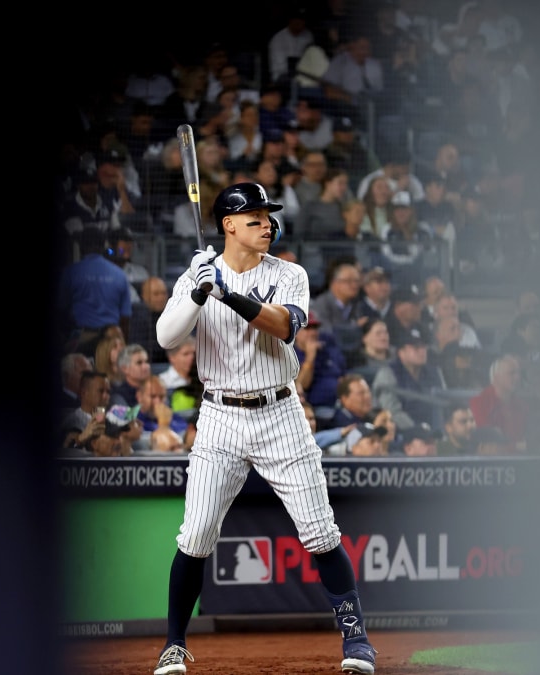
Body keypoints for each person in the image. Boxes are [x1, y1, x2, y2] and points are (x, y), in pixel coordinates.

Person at [151, 182, 376, 675]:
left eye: (268, 217)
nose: (267, 225)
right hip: (219, 417)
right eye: (254, 218)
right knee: (196, 535)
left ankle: (356, 641)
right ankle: (173, 644)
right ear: (228, 225)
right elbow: (166, 335)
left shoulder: (289, 273)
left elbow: (286, 327)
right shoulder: (198, 271)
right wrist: (196, 289)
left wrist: (228, 293)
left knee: (320, 531)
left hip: (280, 413)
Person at [57, 227, 132, 357]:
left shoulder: (71, 272)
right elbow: (125, 317)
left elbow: (61, 309)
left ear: (80, 246)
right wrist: (122, 345)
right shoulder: (119, 274)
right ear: (104, 245)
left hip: (81, 338)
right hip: (111, 339)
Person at [371, 331, 446, 431]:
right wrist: (417, 430)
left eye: (424, 347)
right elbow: (392, 411)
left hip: (435, 430)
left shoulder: (434, 372)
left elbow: (443, 404)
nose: (422, 351)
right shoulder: (388, 374)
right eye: (416, 348)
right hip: (403, 432)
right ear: (401, 352)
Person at [294, 312, 348, 420]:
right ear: (295, 333)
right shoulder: (293, 355)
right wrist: (310, 358)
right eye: (307, 328)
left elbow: (344, 376)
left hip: (342, 403)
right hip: (318, 408)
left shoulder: (327, 350)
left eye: (315, 328)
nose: (313, 332)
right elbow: (301, 386)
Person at [469, 353, 528, 452]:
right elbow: (488, 446)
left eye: (519, 373)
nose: (517, 378)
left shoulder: (522, 406)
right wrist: (517, 447)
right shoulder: (479, 403)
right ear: (496, 377)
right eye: (511, 373)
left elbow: (528, 441)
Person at [267, 6, 316, 86]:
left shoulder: (308, 36)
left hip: (304, 76)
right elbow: (281, 68)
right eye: (297, 19)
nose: (299, 22)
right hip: (281, 77)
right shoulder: (278, 39)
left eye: (302, 20)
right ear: (290, 20)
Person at [129, 276, 170, 365]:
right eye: (156, 294)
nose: (161, 298)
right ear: (144, 296)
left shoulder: (173, 313)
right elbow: (140, 348)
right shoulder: (137, 317)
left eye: (163, 293)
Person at [383, 284, 433, 348]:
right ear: (398, 305)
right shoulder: (386, 330)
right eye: (414, 303)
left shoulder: (422, 330)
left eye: (419, 304)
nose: (419, 308)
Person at [110, 343, 152, 408]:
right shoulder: (118, 396)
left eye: (146, 362)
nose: (145, 366)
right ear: (125, 369)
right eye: (139, 363)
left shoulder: (156, 388)